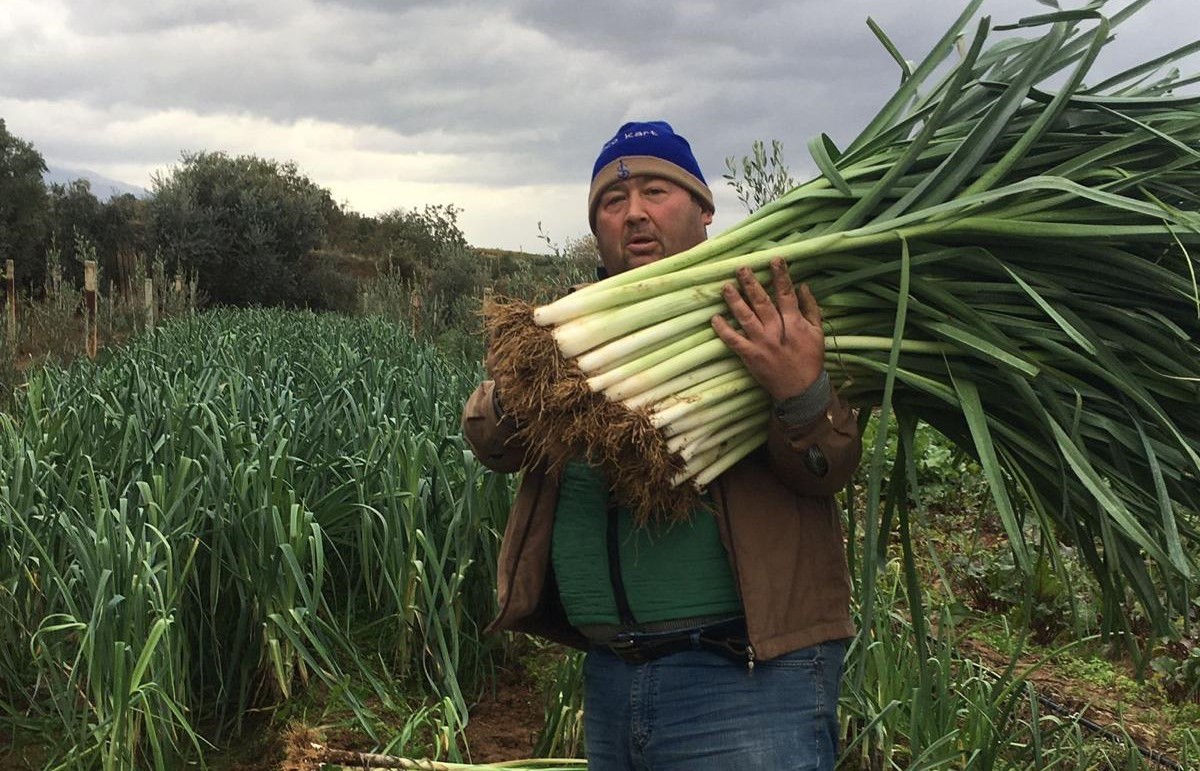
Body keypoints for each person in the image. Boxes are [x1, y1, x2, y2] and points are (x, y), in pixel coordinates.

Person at [462, 121, 862, 771]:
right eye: (613, 202)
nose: (636, 213)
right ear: (597, 227)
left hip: (744, 678)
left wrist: (803, 391)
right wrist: (522, 385)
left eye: (657, 191)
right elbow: (491, 440)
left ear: (704, 208)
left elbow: (829, 466)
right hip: (613, 675)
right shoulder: (576, 330)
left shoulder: (769, 313)